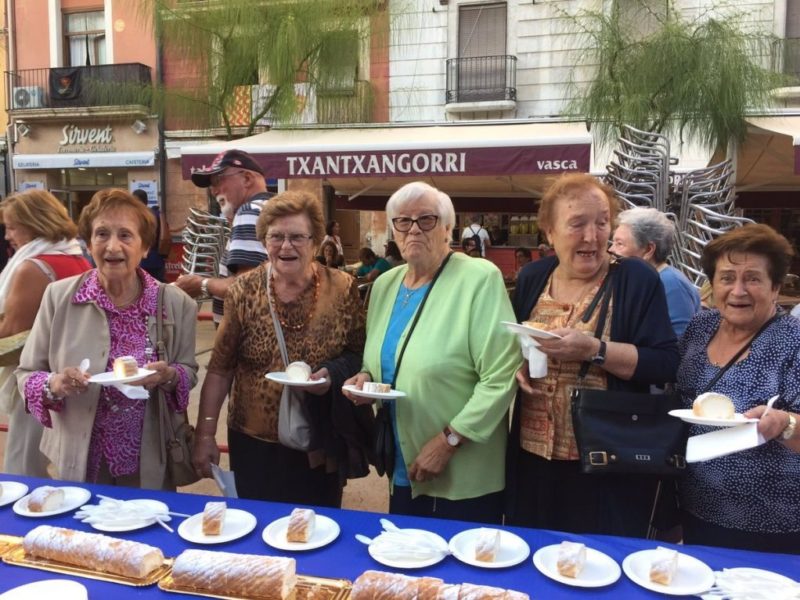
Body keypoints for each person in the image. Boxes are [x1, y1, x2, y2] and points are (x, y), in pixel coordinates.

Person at [506, 173, 679, 538]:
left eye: (602, 222)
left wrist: (594, 350)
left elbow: (664, 362)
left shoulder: (635, 278)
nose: (592, 236)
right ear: (549, 232)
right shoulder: (533, 277)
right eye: (577, 224)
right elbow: (519, 344)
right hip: (533, 457)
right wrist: (518, 365)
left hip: (605, 461)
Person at [343, 181, 521, 524]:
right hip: (403, 461)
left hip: (462, 471)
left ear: (448, 228)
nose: (414, 229)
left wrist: (448, 442)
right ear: (393, 230)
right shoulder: (384, 285)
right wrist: (365, 379)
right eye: (403, 221)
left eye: (427, 219)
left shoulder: (478, 278)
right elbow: (376, 358)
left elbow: (501, 375)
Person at [192, 191, 373, 506]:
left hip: (319, 439)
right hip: (253, 441)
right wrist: (206, 434)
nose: (286, 246)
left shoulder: (342, 287)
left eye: (297, 237)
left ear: (315, 241)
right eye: (276, 236)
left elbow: (360, 355)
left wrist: (332, 374)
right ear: (264, 241)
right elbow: (220, 369)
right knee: (257, 530)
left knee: (316, 528)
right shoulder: (244, 292)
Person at [15, 189, 198, 488]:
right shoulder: (60, 297)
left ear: (145, 248)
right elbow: (25, 374)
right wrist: (55, 383)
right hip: (80, 455)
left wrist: (168, 375)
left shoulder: (175, 303)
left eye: (125, 235)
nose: (113, 246)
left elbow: (188, 373)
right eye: (101, 234)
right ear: (88, 243)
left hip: (148, 457)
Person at [676, 224, 800, 554]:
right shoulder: (700, 327)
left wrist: (784, 424)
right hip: (695, 504)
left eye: (753, 279)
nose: (738, 290)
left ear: (775, 287)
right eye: (727, 277)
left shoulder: (793, 341)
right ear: (713, 285)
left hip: (772, 520)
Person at [0, 190, 92, 477]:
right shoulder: (78, 258)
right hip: (74, 374)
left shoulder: (33, 267)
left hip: (37, 380)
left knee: (22, 467)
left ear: (34, 222)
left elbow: (10, 335)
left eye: (12, 226)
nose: (7, 236)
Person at [175, 149, 270, 325]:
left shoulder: (249, 212)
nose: (213, 190)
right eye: (211, 184)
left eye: (218, 180)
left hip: (248, 340)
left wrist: (201, 284)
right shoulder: (272, 209)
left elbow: (248, 288)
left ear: (247, 179)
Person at [610, 207, 700, 337]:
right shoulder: (639, 281)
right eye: (613, 242)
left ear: (648, 250)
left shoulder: (672, 284)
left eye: (620, 244)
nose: (611, 250)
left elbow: (679, 346)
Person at [132, 189, 167, 282]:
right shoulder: (157, 214)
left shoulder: (138, 217)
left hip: (142, 260)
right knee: (158, 289)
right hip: (158, 259)